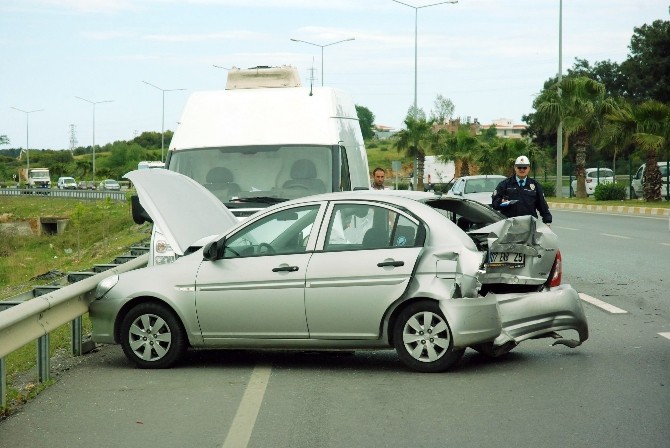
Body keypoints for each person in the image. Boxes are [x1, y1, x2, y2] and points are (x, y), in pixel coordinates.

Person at [492, 155, 552, 225]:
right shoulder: (505, 184)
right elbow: (494, 204)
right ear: (515, 168)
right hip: (510, 225)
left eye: (524, 167)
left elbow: (542, 205)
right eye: (519, 167)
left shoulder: (535, 185)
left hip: (529, 225)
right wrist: (501, 201)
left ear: (529, 168)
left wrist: (547, 221)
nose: (522, 170)